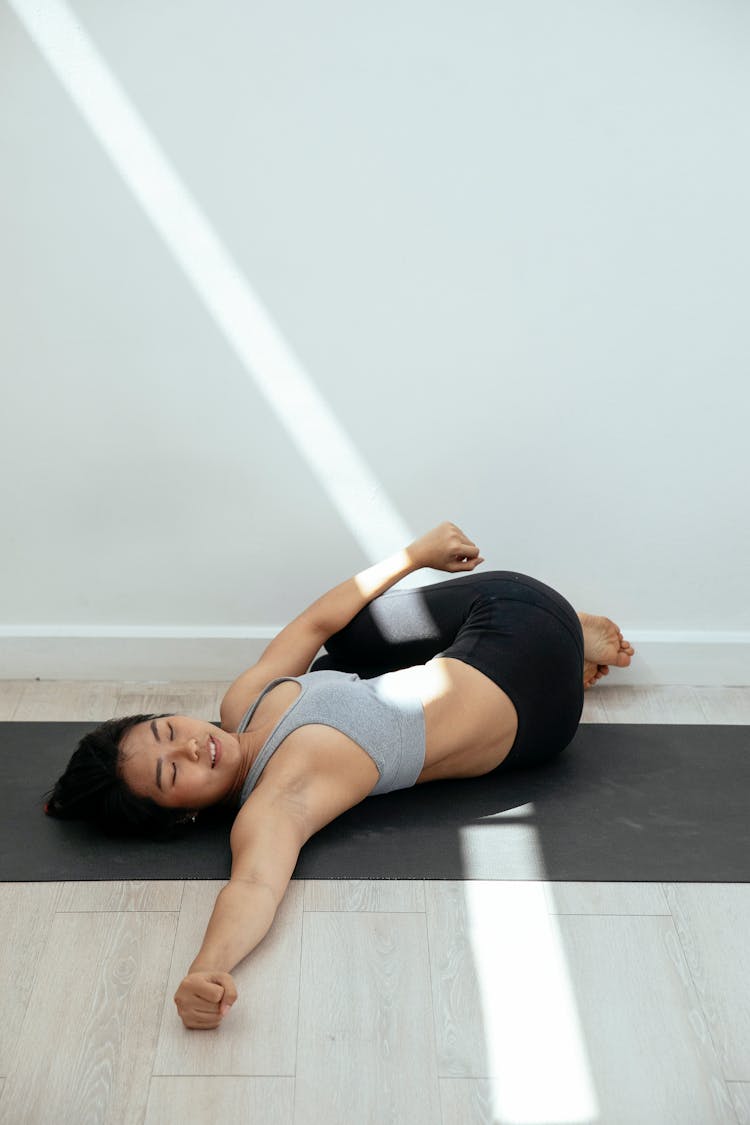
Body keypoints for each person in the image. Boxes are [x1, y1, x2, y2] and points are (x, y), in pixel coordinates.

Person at [45, 521, 634, 1030]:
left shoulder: (243, 702)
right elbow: (253, 886)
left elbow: (313, 622)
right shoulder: (276, 802)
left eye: (170, 733)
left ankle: (568, 643)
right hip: (531, 686)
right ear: (184, 815)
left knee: (339, 643)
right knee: (348, 654)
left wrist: (414, 555)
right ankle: (568, 645)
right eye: (173, 775)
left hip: (502, 624)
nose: (196, 748)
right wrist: (207, 969)